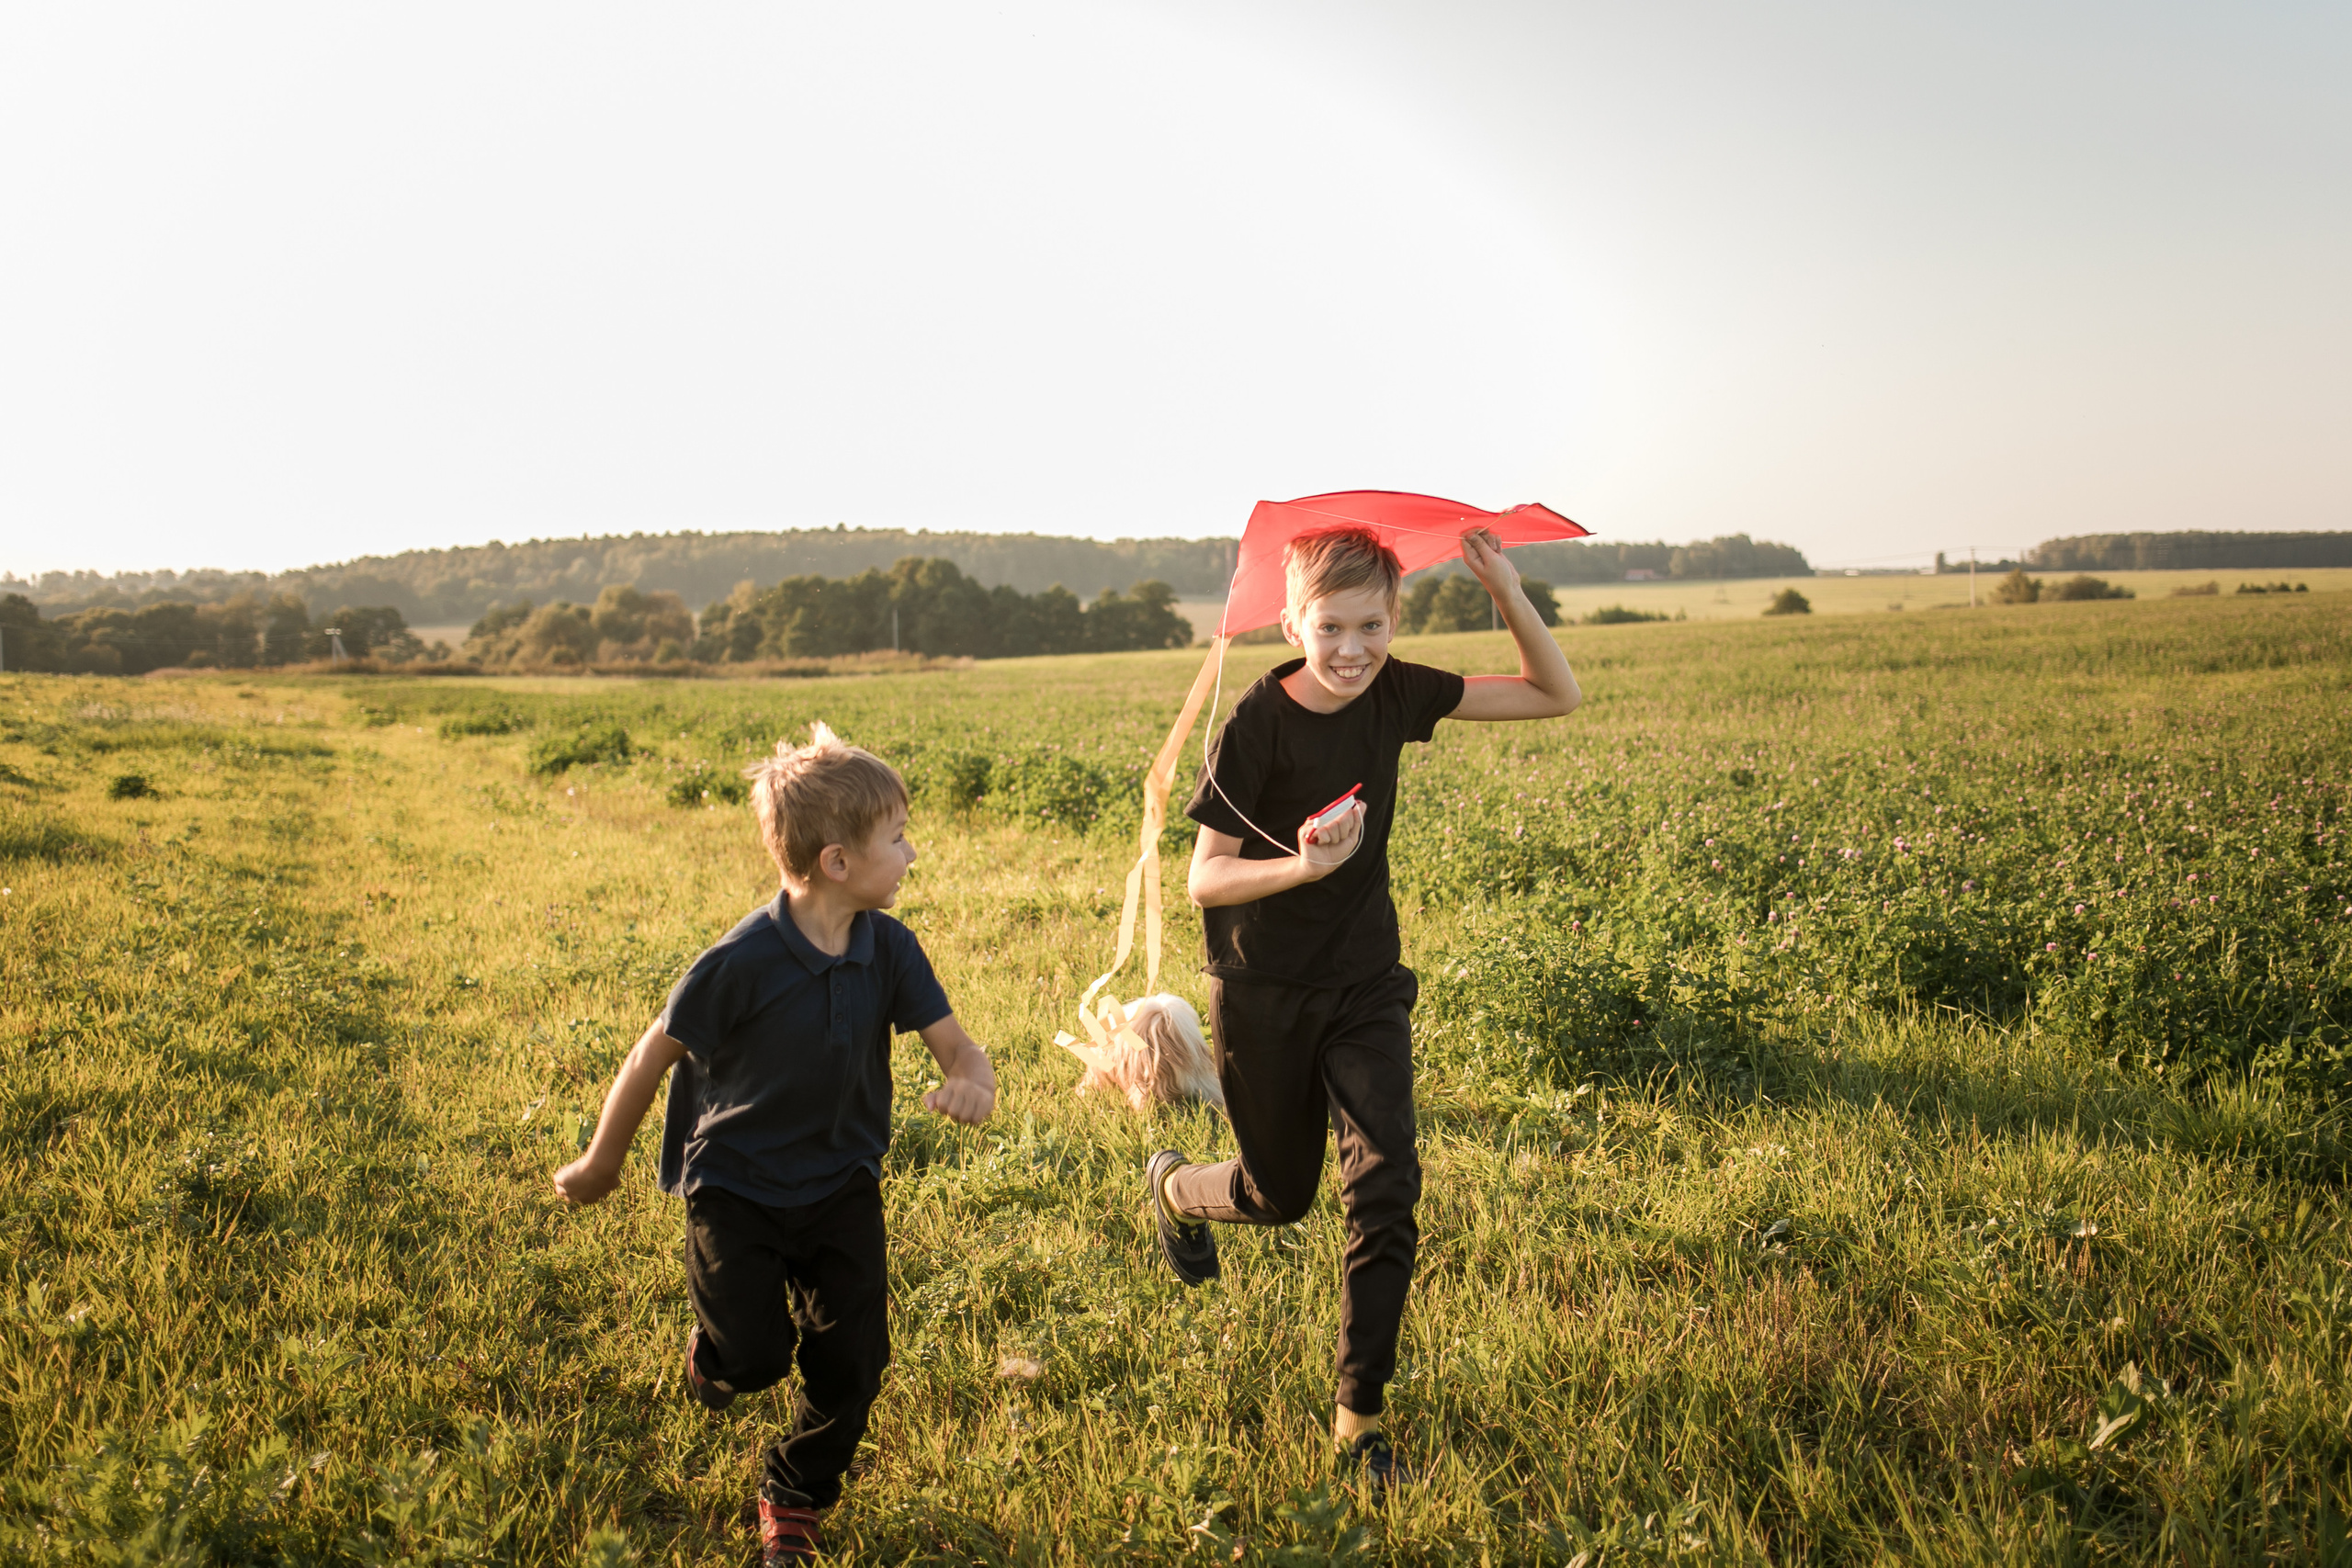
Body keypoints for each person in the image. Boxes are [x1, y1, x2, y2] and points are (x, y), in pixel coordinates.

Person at [1148, 525, 1581, 1488]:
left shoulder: (1394, 691)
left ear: (1396, 618)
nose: (1352, 648)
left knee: (1384, 1181)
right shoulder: (1256, 723)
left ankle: (1359, 1413)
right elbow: (1203, 882)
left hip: (1366, 984)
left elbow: (1556, 695)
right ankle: (1177, 1188)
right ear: (1294, 621)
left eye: (1372, 625)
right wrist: (1304, 865)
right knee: (1279, 1194)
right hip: (1260, 991)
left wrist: (1505, 589)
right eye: (1331, 626)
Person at [554, 723, 996, 1566]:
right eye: (897, 838)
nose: (912, 853)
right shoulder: (741, 960)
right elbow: (654, 1053)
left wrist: (973, 1080)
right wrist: (602, 1163)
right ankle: (718, 1352)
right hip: (736, 1186)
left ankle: (794, 1493)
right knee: (756, 1359)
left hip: (842, 1184)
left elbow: (957, 1046)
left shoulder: (891, 948)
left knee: (855, 1360)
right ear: (837, 861)